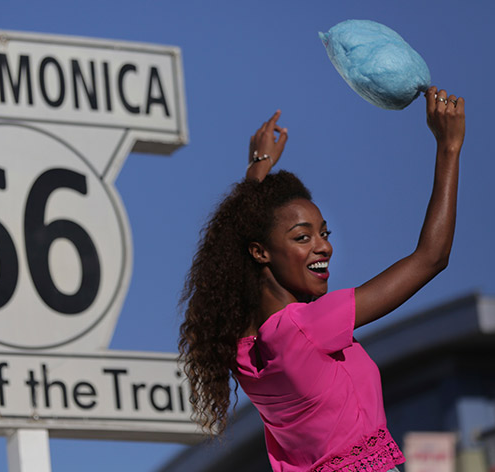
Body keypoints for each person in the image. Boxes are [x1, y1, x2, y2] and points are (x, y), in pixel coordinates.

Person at [178, 86, 465, 472]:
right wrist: (449, 147)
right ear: (260, 252)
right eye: (302, 237)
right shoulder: (306, 327)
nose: (323, 247)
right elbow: (431, 258)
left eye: (323, 234)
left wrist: (258, 169)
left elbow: (240, 236)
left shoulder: (242, 350)